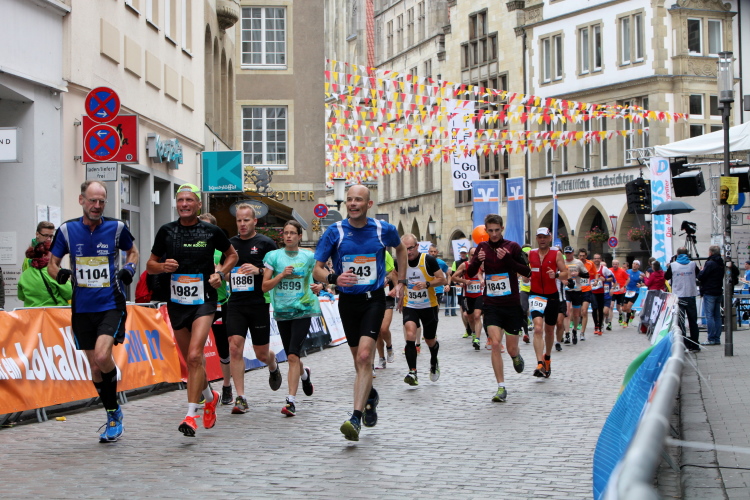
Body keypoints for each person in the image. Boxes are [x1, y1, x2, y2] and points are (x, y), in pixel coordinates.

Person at [313, 185, 406, 441]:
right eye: (350, 200)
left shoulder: (383, 229)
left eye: (358, 200)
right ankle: (371, 396)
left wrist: (401, 282)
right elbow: (317, 269)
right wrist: (334, 278)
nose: (353, 203)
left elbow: (400, 249)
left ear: (369, 204)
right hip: (348, 302)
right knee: (358, 361)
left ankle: (355, 418)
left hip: (374, 300)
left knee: (366, 356)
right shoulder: (335, 231)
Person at [48, 180, 139, 443]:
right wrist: (60, 274)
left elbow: (133, 252)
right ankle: (113, 412)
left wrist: (129, 269)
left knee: (101, 356)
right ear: (82, 200)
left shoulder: (116, 228)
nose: (97, 206)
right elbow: (52, 264)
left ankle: (112, 398)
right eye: (92, 201)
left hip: (111, 303)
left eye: (101, 201)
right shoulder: (67, 230)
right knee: (95, 368)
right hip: (82, 307)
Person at [147, 183, 238, 436]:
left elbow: (232, 255)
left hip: (204, 301)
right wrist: (162, 266)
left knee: (196, 355)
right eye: (180, 200)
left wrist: (220, 273)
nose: (184, 204)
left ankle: (190, 416)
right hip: (177, 303)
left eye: (189, 200)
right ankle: (210, 397)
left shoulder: (211, 231)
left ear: (198, 205)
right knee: (191, 360)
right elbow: (150, 265)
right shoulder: (166, 231)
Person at [466, 214, 530, 402]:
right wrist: (477, 261)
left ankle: (516, 356)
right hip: (491, 304)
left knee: (511, 349)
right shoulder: (482, 247)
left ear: (502, 229)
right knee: (495, 344)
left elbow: (527, 271)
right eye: (490, 231)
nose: (494, 234)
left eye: (496, 230)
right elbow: (470, 272)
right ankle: (501, 387)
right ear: (486, 231)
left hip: (511, 305)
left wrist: (509, 259)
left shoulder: (513, 247)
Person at [224, 203, 281, 414]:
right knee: (234, 347)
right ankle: (241, 398)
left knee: (261, 355)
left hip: (258, 303)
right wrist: (230, 274)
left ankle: (273, 365)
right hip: (236, 303)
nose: (242, 224)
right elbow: (224, 272)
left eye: (246, 220)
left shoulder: (265, 244)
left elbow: (278, 272)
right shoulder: (230, 245)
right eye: (239, 220)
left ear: (255, 221)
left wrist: (258, 271)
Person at [263, 220, 320, 417]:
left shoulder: (309, 256)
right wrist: (280, 275)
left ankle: (290, 401)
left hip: (303, 309)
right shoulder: (274, 256)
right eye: (286, 233)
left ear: (299, 236)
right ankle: (304, 374)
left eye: (292, 233)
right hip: (282, 311)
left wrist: (321, 286)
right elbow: (264, 286)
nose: (288, 236)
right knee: (291, 356)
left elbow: (322, 273)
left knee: (293, 356)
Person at [400, 234, 447, 386]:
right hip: (410, 305)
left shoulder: (429, 260)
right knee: (410, 334)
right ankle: (412, 372)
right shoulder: (400, 261)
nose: (408, 252)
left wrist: (427, 284)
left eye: (411, 248)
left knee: (429, 339)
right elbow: (395, 275)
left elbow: (442, 279)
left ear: (417, 246)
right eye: (405, 249)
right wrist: (399, 291)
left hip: (429, 306)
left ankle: (434, 361)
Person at [197, 213, 233, 406]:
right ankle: (204, 387)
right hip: (197, 303)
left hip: (219, 303)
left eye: (207, 227)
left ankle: (227, 386)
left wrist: (219, 271)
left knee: (222, 347)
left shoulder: (221, 252)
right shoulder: (191, 249)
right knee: (197, 348)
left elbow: (229, 276)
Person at [527, 228, 569, 377]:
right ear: (536, 239)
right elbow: (524, 271)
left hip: (552, 295)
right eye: (539, 237)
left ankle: (547, 358)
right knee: (538, 328)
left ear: (550, 238)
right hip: (536, 295)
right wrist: (525, 276)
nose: (542, 239)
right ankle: (539, 363)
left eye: (544, 237)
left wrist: (556, 275)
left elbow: (566, 273)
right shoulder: (531, 254)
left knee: (549, 330)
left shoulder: (556, 253)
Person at [665, 248, 701, 351]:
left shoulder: (673, 265)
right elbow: (699, 275)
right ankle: (695, 344)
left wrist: (669, 267)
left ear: (677, 254)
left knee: (680, 322)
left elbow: (666, 277)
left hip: (678, 297)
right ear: (687, 254)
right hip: (690, 295)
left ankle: (683, 345)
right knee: (693, 322)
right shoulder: (693, 264)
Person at [18, 240, 72, 307]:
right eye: (53, 254)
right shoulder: (54, 272)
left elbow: (21, 297)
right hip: (53, 312)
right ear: (44, 255)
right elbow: (70, 293)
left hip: (31, 312)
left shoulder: (25, 274)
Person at [453, 248, 485, 350]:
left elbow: (486, 274)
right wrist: (464, 281)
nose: (473, 256)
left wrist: (482, 281)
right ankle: (474, 333)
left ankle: (477, 339)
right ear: (468, 255)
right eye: (471, 255)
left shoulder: (481, 264)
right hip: (468, 295)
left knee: (477, 316)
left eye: (475, 254)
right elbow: (453, 277)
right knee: (470, 317)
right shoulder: (464, 265)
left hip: (479, 294)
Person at [375, 252, 397, 370]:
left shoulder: (384, 252)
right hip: (373, 297)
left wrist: (387, 278)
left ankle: (389, 347)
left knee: (384, 328)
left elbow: (393, 272)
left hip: (387, 297)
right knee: (376, 331)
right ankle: (381, 358)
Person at [698, 245, 724, 346]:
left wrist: (701, 271)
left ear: (711, 252)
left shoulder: (710, 263)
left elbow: (701, 276)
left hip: (709, 291)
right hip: (718, 291)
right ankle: (717, 338)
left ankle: (711, 338)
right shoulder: (721, 263)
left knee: (709, 316)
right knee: (717, 316)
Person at [563, 246, 587, 344]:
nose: (568, 255)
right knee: (567, 312)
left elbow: (587, 275)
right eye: (566, 253)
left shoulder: (578, 262)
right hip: (566, 290)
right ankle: (567, 334)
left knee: (576, 314)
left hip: (577, 290)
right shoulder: (562, 262)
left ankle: (574, 331)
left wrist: (578, 273)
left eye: (569, 253)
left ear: (573, 253)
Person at [590, 254, 613, 336]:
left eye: (598, 258)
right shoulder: (590, 268)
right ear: (593, 259)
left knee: (600, 309)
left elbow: (611, 278)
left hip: (601, 292)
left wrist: (605, 279)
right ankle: (596, 326)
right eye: (595, 258)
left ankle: (600, 327)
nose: (596, 260)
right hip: (592, 291)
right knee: (594, 308)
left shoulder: (604, 269)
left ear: (600, 260)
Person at [577, 248, 596, 340]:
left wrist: (596, 280)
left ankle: (582, 333)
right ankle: (573, 329)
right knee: (577, 312)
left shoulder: (590, 263)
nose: (582, 257)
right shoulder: (575, 263)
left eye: (583, 256)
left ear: (586, 256)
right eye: (580, 255)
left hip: (587, 290)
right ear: (578, 256)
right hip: (577, 290)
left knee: (584, 311)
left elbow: (595, 273)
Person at [621, 260, 644, 326]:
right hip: (627, 291)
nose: (634, 265)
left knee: (628, 307)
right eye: (634, 263)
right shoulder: (627, 271)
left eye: (636, 264)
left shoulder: (640, 274)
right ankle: (632, 312)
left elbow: (646, 282)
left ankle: (626, 322)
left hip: (635, 291)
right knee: (624, 309)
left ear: (638, 266)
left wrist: (641, 285)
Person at [429, 245, 450, 312]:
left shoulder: (441, 263)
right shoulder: (424, 262)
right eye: (431, 251)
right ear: (428, 252)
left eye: (434, 251)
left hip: (438, 290)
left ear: (437, 252)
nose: (433, 253)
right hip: (428, 288)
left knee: (436, 309)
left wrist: (448, 285)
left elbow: (448, 275)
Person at [610, 259, 629, 326]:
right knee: (611, 306)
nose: (614, 265)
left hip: (620, 292)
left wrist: (624, 286)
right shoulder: (609, 270)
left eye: (616, 264)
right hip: (613, 291)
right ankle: (610, 323)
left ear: (618, 265)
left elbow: (628, 279)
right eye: (613, 264)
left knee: (618, 308)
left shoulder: (622, 271)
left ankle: (621, 314)